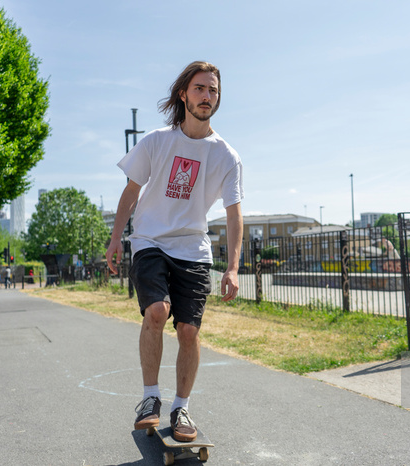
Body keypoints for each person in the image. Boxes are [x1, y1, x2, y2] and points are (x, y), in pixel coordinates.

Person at [105, 61, 243, 442]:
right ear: (184, 94)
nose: (207, 96)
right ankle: (151, 399)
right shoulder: (156, 141)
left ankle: (181, 407)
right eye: (200, 88)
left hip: (193, 249)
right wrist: (117, 238)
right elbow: (130, 193)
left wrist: (232, 267)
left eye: (213, 90)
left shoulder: (227, 156)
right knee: (157, 311)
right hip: (150, 241)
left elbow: (234, 215)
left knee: (188, 330)